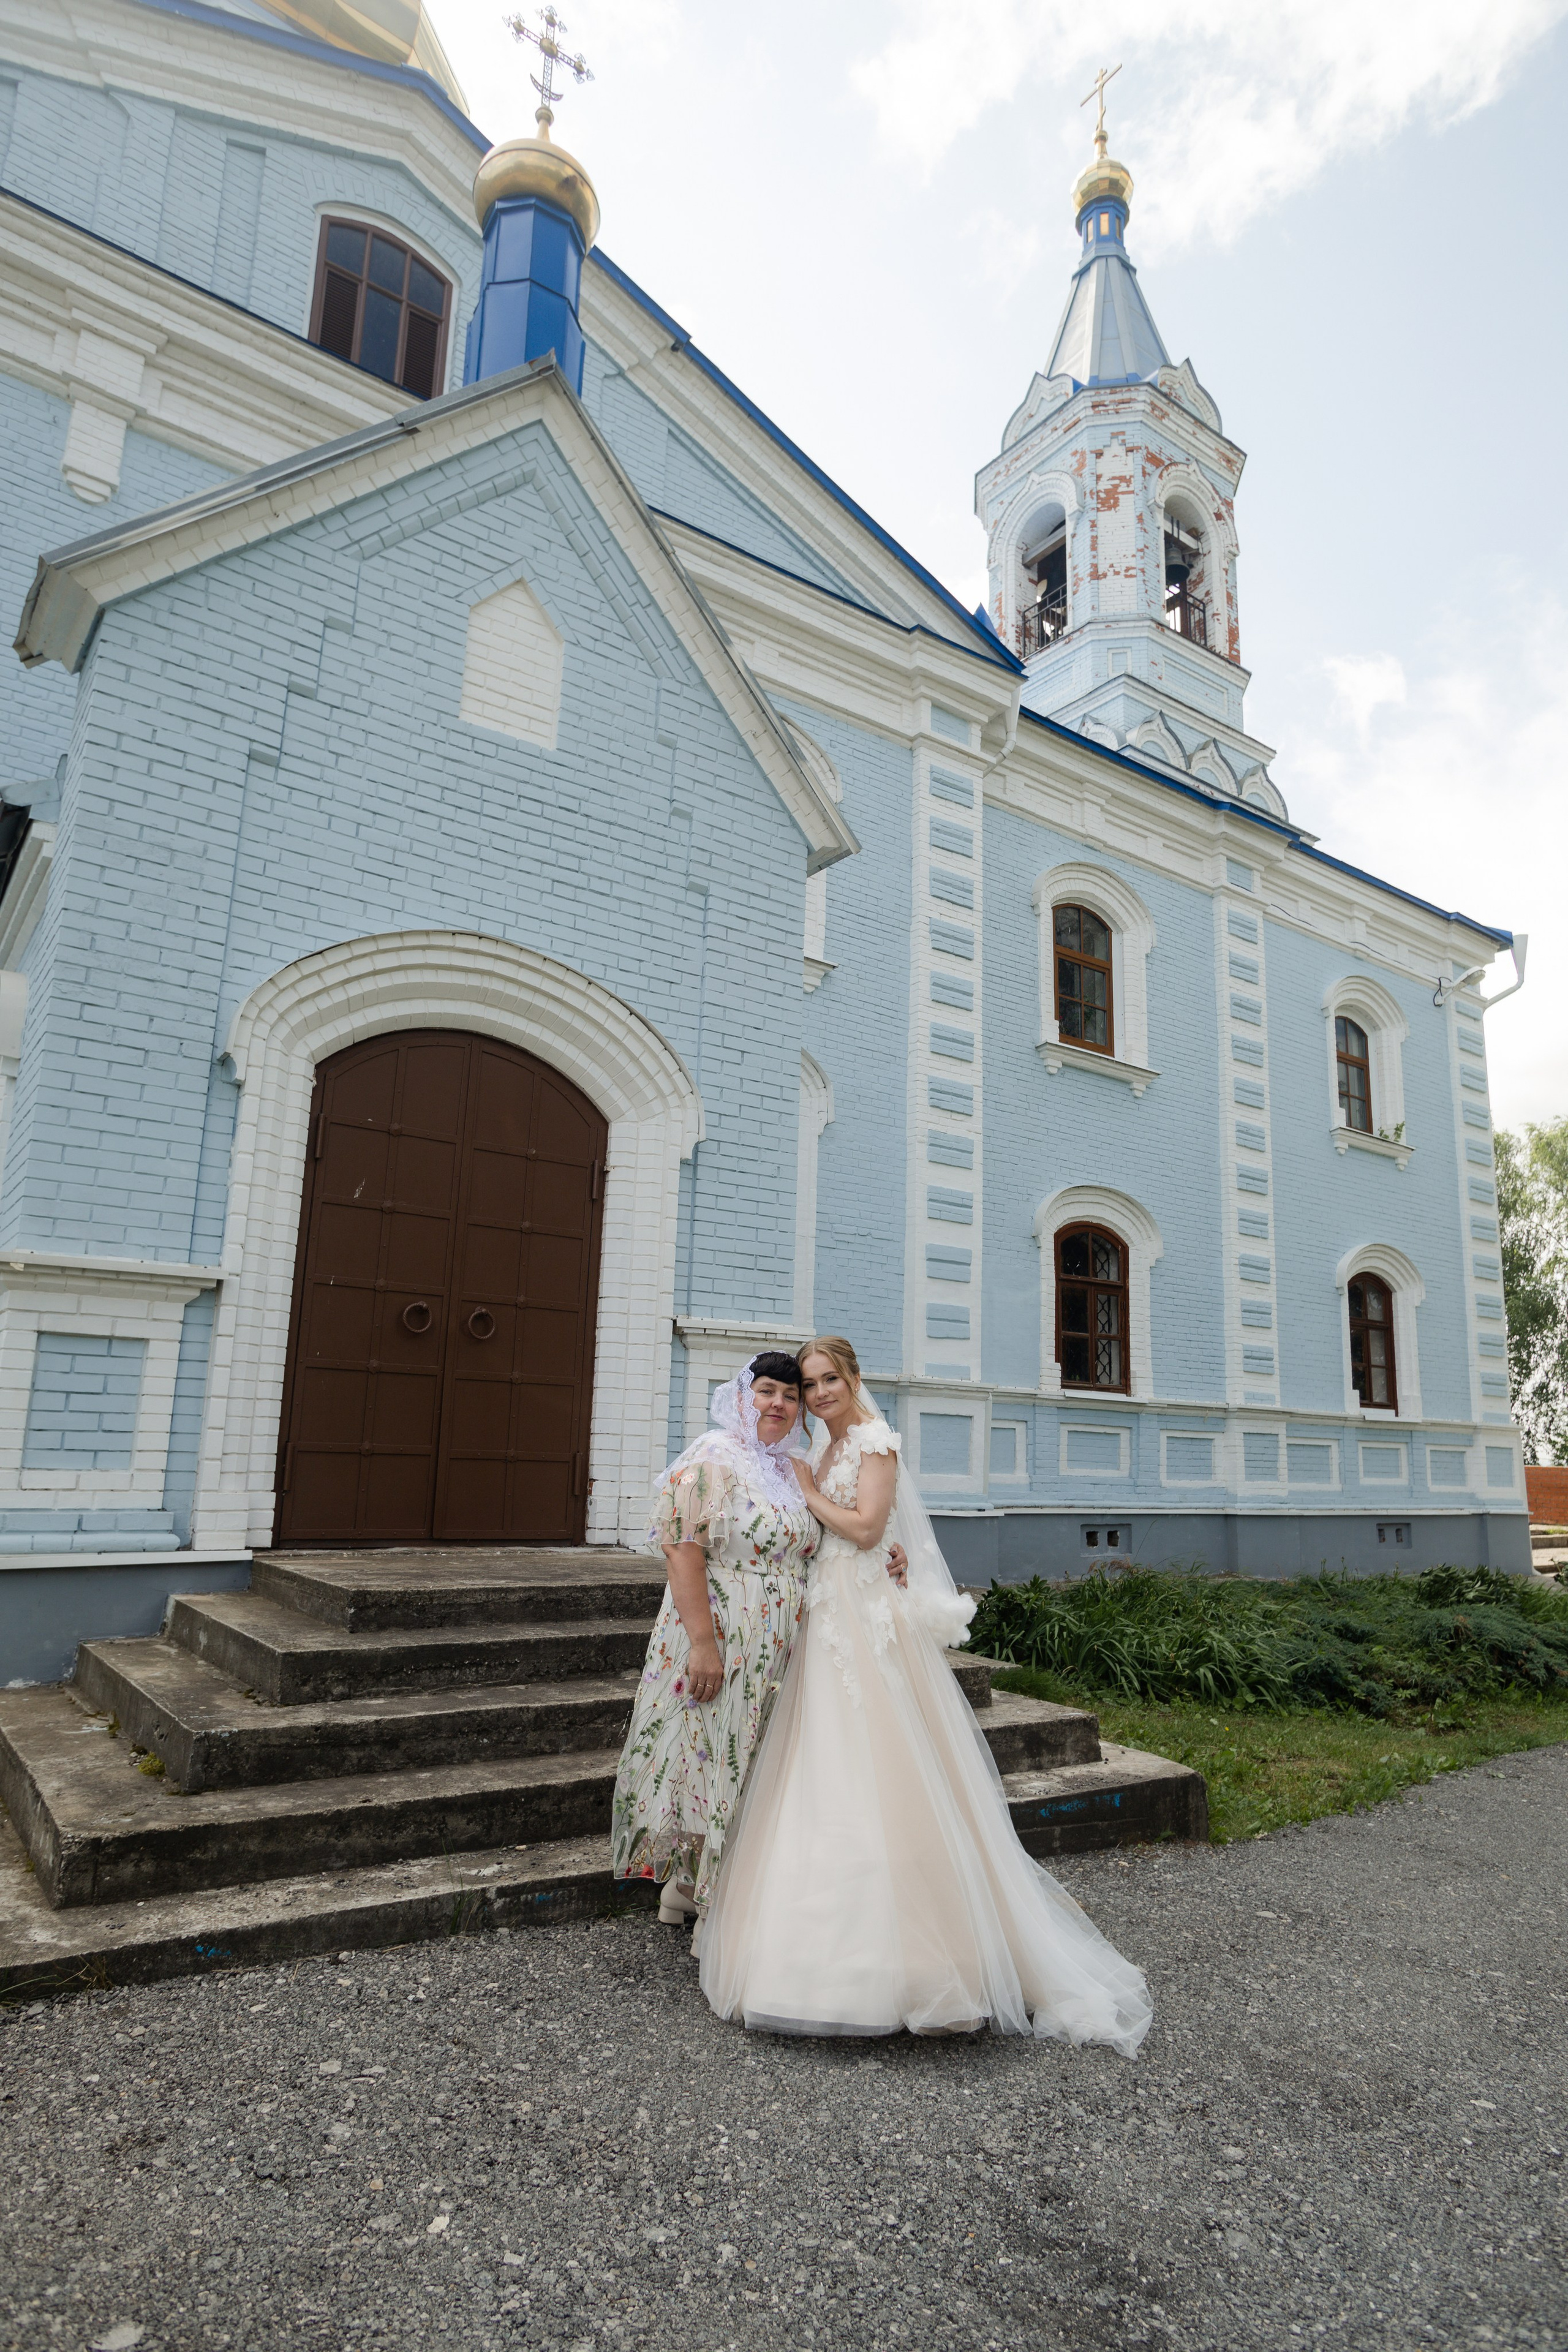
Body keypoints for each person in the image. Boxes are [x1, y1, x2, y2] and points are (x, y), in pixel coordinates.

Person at [698, 1334, 1154, 2052]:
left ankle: (927, 1961)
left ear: (852, 1379)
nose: (816, 1395)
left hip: (862, 1618)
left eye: (827, 1381)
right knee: (822, 1761)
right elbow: (851, 1537)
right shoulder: (821, 1448)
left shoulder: (874, 1441)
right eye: (807, 1384)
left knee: (883, 1760)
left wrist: (826, 1506)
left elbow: (867, 1524)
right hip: (830, 1612)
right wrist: (863, 1537)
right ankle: (815, 1956)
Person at [611, 1353, 908, 1926]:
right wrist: (702, 1642)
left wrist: (890, 1548)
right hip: (719, 1632)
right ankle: (688, 1884)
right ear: (741, 1397)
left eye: (789, 1396)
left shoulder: (787, 1466)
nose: (778, 1404)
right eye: (765, 1391)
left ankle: (714, 1886)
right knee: (704, 1753)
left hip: (780, 1642)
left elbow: (838, 1530)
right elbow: (682, 1548)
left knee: (751, 1757)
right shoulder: (713, 1459)